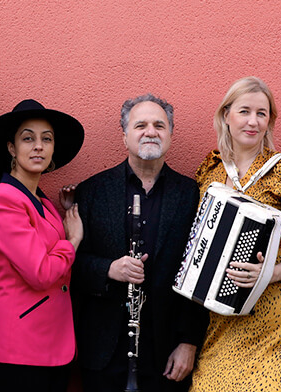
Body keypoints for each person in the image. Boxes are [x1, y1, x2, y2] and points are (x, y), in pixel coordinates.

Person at [74, 93, 209, 392]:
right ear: (124, 136)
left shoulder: (192, 195)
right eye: (141, 125)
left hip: (166, 349)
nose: (151, 132)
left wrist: (188, 342)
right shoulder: (92, 191)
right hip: (103, 349)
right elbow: (71, 263)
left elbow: (200, 275)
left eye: (159, 125)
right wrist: (108, 268)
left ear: (170, 134)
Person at [188, 77, 281, 391]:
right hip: (223, 317)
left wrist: (267, 274)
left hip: (280, 319)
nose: (253, 121)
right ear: (226, 116)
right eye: (244, 111)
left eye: (262, 113)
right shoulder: (211, 170)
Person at [0, 99, 85, 392]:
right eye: (28, 138)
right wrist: (72, 240)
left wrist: (61, 215)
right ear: (12, 148)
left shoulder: (42, 201)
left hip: (52, 345)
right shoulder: (2, 201)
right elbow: (40, 272)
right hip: (19, 348)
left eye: (46, 139)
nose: (38, 146)